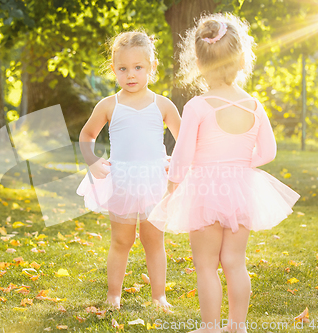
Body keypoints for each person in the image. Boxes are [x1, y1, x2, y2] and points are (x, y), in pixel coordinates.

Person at [147, 14, 300, 333]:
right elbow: (268, 152)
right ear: (243, 60)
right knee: (234, 261)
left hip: (203, 190)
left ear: (199, 65)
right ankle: (238, 326)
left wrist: (172, 187)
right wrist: (242, 167)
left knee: (206, 264)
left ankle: (210, 327)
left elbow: (183, 155)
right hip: (241, 189)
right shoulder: (255, 106)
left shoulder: (198, 106)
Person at [77, 31, 181, 309]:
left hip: (153, 182)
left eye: (138, 68)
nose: (130, 74)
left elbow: (185, 141)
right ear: (113, 70)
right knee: (121, 240)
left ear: (151, 67)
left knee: (153, 240)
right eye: (123, 69)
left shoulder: (162, 105)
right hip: (122, 181)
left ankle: (159, 296)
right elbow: (86, 135)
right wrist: (92, 159)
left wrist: (176, 162)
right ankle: (114, 294)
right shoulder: (109, 105)